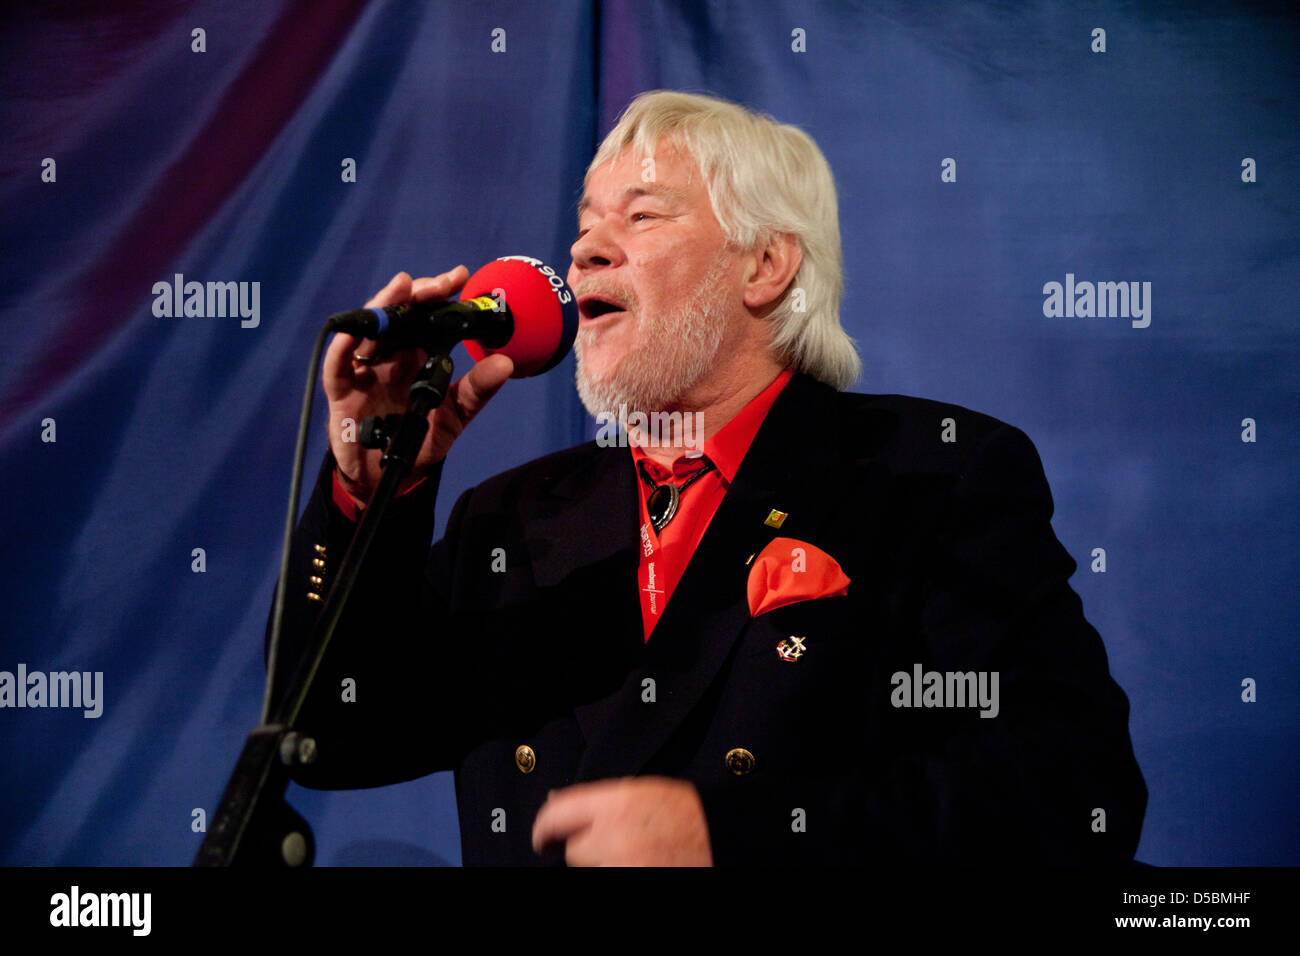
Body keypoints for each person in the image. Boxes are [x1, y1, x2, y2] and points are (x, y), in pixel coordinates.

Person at [268, 90, 1147, 866]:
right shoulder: (509, 519)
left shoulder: (932, 476)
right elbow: (335, 738)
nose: (583, 254)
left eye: (641, 217)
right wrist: (372, 491)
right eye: (583, 224)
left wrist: (736, 840)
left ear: (766, 266)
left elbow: (1076, 796)